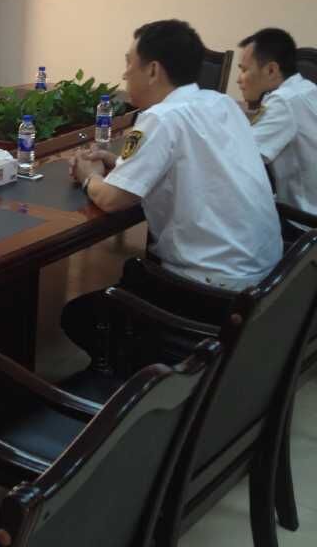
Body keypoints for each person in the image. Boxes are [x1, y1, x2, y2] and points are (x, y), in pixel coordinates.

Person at [63, 19, 282, 365]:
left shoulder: (161, 118)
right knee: (128, 277)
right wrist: (117, 162)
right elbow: (194, 163)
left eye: (129, 63)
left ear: (152, 71)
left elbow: (114, 199)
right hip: (265, 281)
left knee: (79, 315)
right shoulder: (222, 103)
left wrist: (89, 176)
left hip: (212, 293)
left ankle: (142, 382)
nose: (124, 74)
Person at [236, 27, 317, 221]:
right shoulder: (305, 89)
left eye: (244, 70)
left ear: (271, 70)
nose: (239, 80)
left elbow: (240, 158)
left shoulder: (284, 102)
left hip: (303, 221)